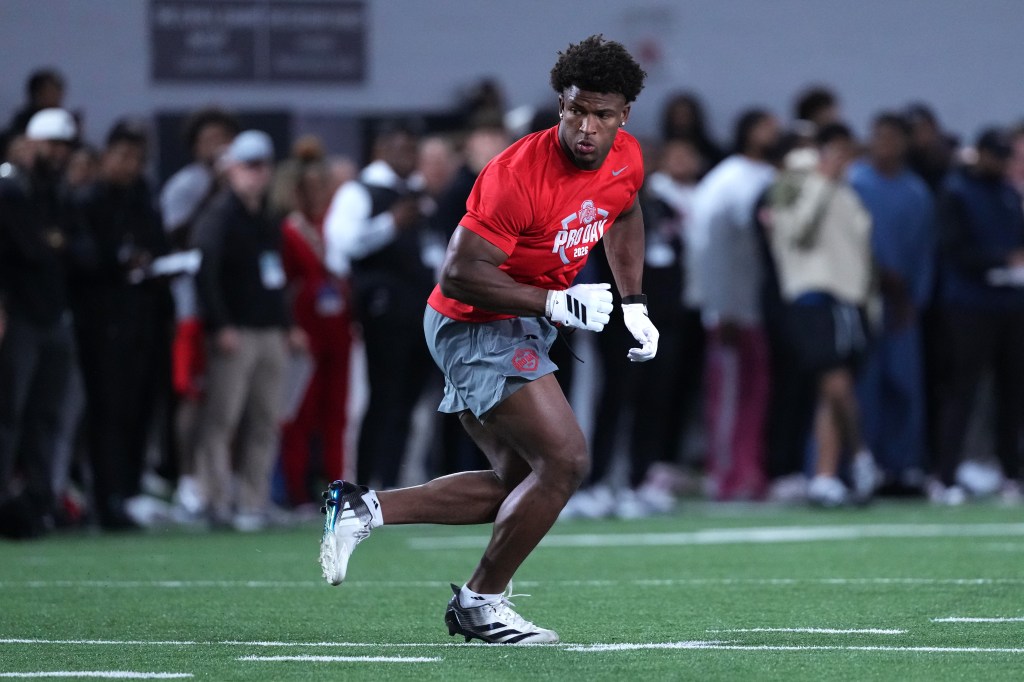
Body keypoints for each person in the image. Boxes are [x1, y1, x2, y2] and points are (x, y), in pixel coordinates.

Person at [319, 35, 656, 644]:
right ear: (561, 103)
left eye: (602, 115)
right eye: (577, 110)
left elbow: (625, 212)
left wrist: (634, 303)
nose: (587, 127)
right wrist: (555, 300)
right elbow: (460, 272)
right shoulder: (516, 172)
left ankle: (362, 509)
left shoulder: (627, 156)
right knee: (567, 461)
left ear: (624, 116)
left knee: (519, 484)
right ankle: (481, 602)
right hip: (472, 319)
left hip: (518, 319)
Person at [191, 130, 307, 531]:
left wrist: (288, 325)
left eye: (263, 166)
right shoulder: (218, 215)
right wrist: (220, 324)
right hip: (236, 331)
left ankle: (252, 502)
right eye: (249, 166)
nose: (257, 174)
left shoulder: (267, 219)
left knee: (265, 419)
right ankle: (214, 498)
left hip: (268, 330)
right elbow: (204, 274)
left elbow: (277, 279)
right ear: (232, 169)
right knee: (222, 417)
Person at [766, 123, 879, 507]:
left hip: (846, 301)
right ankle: (862, 455)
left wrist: (869, 303)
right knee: (836, 384)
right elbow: (795, 230)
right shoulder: (791, 183)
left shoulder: (846, 191)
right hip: (810, 295)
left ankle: (826, 475)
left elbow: (860, 252)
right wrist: (818, 182)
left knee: (830, 390)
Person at [323, 120, 438, 489]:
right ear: (381, 150)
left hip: (419, 310)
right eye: (401, 149)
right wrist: (390, 223)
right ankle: (366, 479)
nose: (409, 157)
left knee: (408, 399)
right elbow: (342, 246)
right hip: (380, 310)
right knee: (381, 397)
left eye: (413, 150)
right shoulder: (360, 192)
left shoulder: (417, 193)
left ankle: (392, 483)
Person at [689, 109, 781, 500]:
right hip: (729, 308)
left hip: (758, 307)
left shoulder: (773, 178)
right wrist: (717, 304)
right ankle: (724, 473)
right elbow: (706, 245)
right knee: (726, 395)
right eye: (765, 126)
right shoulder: (726, 181)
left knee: (756, 395)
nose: (773, 133)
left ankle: (749, 471)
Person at [0, 108, 82, 538]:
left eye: (64, 146)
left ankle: (38, 503)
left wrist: (54, 243)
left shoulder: (55, 192)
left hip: (53, 315)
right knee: (8, 413)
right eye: (53, 145)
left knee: (46, 415)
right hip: (18, 315)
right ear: (32, 143)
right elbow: (32, 249)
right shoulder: (9, 188)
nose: (59, 153)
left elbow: (70, 247)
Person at [933, 127, 1024, 505]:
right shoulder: (956, 191)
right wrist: (1001, 260)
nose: (1002, 163)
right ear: (981, 153)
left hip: (1009, 303)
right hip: (968, 304)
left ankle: (1011, 474)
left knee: (1012, 392)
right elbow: (954, 249)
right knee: (963, 389)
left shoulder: (1007, 194)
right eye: (997, 155)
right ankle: (946, 475)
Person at [159, 107, 239, 519]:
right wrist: (215, 190)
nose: (218, 146)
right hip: (192, 306)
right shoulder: (186, 185)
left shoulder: (241, 187)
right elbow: (176, 237)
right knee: (192, 396)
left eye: (224, 137)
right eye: (210, 139)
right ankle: (187, 478)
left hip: (229, 306)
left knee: (226, 403)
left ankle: (220, 482)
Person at [849, 113, 935, 490]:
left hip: (902, 307)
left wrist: (914, 298)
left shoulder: (916, 192)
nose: (884, 144)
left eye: (892, 137)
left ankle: (901, 467)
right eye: (878, 136)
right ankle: (860, 465)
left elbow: (925, 251)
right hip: (861, 300)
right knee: (860, 387)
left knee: (903, 385)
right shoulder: (855, 183)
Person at [271, 138, 354, 508]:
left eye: (325, 187)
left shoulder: (331, 227)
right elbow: (283, 283)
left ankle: (335, 489)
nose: (320, 194)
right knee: (300, 414)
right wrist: (289, 326)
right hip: (305, 330)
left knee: (335, 414)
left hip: (338, 329)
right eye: (312, 187)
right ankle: (295, 490)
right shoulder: (288, 229)